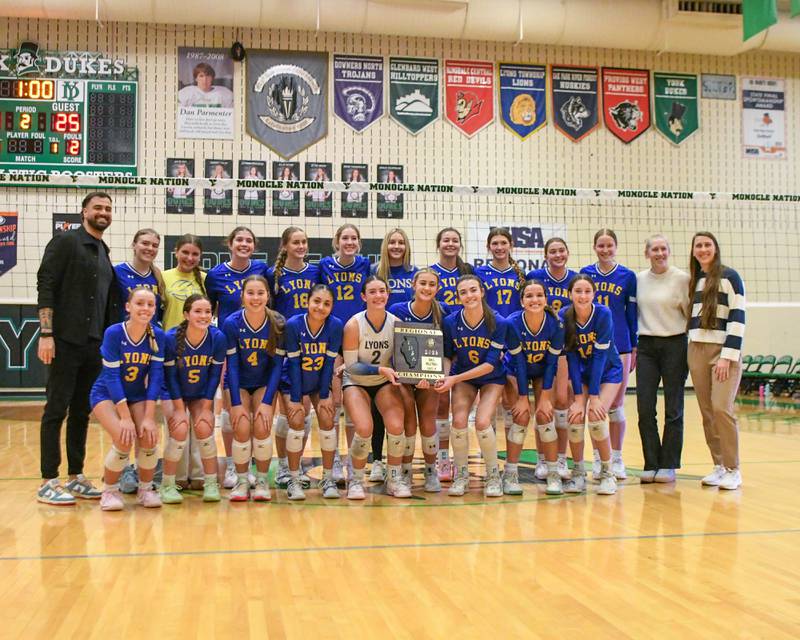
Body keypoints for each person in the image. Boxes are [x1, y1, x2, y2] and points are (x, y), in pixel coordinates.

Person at [36, 191, 121, 505]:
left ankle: (75, 476)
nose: (103, 212)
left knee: (82, 412)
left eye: (108, 208)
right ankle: (48, 480)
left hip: (93, 344)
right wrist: (46, 333)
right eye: (97, 207)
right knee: (56, 409)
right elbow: (46, 283)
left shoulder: (103, 251)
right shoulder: (66, 242)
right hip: (65, 340)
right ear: (84, 211)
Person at [437, 274, 515, 498]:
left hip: (492, 378)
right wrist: (444, 377)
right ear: (458, 297)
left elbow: (490, 365)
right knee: (459, 420)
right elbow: (448, 355)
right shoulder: (450, 322)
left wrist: (453, 379)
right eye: (463, 292)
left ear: (482, 292)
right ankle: (461, 475)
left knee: (482, 422)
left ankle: (493, 475)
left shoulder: (499, 322)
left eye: (473, 290)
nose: (469, 295)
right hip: (464, 378)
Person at [89, 288, 165, 511]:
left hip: (137, 395)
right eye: (140, 303)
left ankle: (145, 489)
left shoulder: (157, 335)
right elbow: (112, 377)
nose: (145, 308)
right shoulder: (114, 333)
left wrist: (149, 417)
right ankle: (109, 491)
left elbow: (156, 378)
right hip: (106, 394)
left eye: (150, 304)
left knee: (149, 438)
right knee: (124, 439)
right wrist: (125, 417)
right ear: (128, 306)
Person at [206, 227, 268, 488]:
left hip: (258, 345)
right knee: (232, 408)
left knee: (258, 414)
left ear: (254, 245)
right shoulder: (215, 275)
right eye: (239, 240)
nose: (244, 244)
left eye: (249, 240)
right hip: (229, 347)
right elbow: (209, 311)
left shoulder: (262, 270)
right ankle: (233, 464)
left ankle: (250, 464)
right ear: (229, 244)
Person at [686, 232, 746, 491]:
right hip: (696, 349)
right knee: (707, 412)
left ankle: (733, 468)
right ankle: (719, 465)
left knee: (722, 408)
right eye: (698, 245)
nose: (703, 249)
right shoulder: (695, 280)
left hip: (723, 352)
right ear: (693, 251)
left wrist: (727, 356)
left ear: (715, 248)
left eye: (707, 245)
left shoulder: (730, 277)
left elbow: (738, 317)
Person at [388, 268, 452, 493]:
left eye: (432, 284)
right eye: (422, 283)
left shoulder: (443, 312)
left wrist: (440, 377)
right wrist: (404, 375)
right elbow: (391, 347)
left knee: (428, 421)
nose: (427, 288)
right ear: (413, 284)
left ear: (438, 288)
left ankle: (430, 471)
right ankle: (405, 471)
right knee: (408, 421)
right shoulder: (397, 310)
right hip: (402, 377)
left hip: (430, 377)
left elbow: (447, 351)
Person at [342, 276, 406, 499]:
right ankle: (356, 480)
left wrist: (420, 375)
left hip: (383, 382)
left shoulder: (396, 323)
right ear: (363, 296)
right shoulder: (353, 325)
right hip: (356, 381)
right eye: (372, 292)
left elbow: (406, 359)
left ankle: (394, 479)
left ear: (388, 294)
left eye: (382, 291)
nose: (378, 296)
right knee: (364, 428)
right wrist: (380, 370)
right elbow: (351, 367)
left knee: (396, 426)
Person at [581, 229, 637, 481]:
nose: (605, 250)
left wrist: (634, 345)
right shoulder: (586, 273)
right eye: (601, 246)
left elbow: (631, 313)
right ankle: (597, 457)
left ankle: (617, 457)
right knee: (595, 406)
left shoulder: (628, 276)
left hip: (621, 345)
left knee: (616, 405)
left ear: (616, 247)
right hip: (591, 346)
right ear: (594, 247)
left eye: (609, 245)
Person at [266, 226, 320, 488]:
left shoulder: (315, 272)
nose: (301, 246)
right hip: (284, 348)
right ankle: (283, 468)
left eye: (304, 242)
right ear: (285, 246)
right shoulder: (272, 275)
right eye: (296, 242)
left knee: (304, 411)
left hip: (311, 346)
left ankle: (295, 466)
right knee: (287, 411)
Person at [223, 276, 285, 502]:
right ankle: (241, 481)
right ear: (242, 296)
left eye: (260, 293)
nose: (255, 298)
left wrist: (268, 402)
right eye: (250, 293)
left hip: (264, 383)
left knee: (262, 426)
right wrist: (236, 403)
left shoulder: (277, 322)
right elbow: (232, 366)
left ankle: (261, 481)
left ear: (268, 296)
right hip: (238, 383)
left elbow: (277, 366)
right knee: (240, 427)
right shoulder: (231, 323)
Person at [319, 224, 372, 483]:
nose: (349, 242)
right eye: (345, 238)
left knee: (354, 403)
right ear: (336, 241)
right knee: (336, 401)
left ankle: (352, 461)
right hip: (333, 337)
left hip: (357, 337)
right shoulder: (325, 265)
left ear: (359, 242)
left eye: (354, 238)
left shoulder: (365, 265)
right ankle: (336, 462)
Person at [280, 285, 343, 500]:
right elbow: (294, 364)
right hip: (293, 381)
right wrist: (296, 398)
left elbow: (329, 364)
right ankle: (294, 479)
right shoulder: (293, 325)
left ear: (332, 307)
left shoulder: (335, 325)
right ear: (307, 302)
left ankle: (328, 478)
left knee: (327, 418)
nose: (320, 307)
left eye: (327, 303)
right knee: (297, 421)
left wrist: (324, 395)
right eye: (316, 301)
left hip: (318, 381)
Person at [561, 274, 622, 496]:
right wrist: (579, 398)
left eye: (587, 291)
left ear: (594, 294)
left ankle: (607, 473)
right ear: (570, 294)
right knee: (575, 417)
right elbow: (571, 358)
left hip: (608, 371)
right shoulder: (564, 316)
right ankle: (578, 473)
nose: (583, 296)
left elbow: (599, 357)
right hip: (582, 373)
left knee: (596, 416)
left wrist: (593, 397)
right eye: (578, 291)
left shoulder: (603, 314)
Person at [636, 235, 690, 484]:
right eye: (654, 249)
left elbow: (689, 315)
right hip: (646, 346)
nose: (659, 253)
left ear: (669, 251)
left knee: (673, 407)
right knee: (645, 407)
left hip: (675, 344)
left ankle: (668, 464)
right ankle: (651, 462)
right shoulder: (639, 280)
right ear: (647, 253)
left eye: (663, 249)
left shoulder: (682, 279)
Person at [161, 294, 226, 504]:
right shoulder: (170, 338)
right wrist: (180, 409)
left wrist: (206, 408)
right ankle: (168, 484)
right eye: (198, 311)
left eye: (207, 312)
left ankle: (211, 483)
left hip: (200, 392)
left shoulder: (217, 337)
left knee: (204, 428)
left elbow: (214, 376)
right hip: (173, 392)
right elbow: (170, 378)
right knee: (179, 430)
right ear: (186, 314)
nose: (204, 316)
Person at [502, 280, 564, 495]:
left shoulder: (556, 324)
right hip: (514, 370)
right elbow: (519, 362)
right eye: (529, 296)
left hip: (542, 371)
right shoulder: (512, 323)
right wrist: (522, 397)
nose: (534, 299)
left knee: (545, 416)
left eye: (539, 295)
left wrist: (545, 398)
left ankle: (553, 472)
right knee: (520, 417)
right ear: (521, 301)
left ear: (546, 299)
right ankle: (510, 473)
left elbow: (552, 363)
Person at [161, 235, 208, 490]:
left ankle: (199, 474)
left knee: (199, 416)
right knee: (175, 418)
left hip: (198, 353)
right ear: (176, 252)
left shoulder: (206, 279)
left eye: (195, 254)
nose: (190, 258)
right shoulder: (163, 277)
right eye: (185, 252)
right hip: (171, 351)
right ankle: (177, 476)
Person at [527, 237, 577, 481]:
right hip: (539, 346)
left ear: (567, 253)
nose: (558, 255)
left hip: (565, 347)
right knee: (542, 404)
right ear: (545, 255)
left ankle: (561, 458)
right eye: (553, 251)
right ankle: (542, 459)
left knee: (563, 400)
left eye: (561, 251)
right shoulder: (535, 276)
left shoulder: (575, 278)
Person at [430, 227, 473, 482]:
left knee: (461, 405)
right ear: (438, 244)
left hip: (467, 340)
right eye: (446, 240)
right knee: (441, 402)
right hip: (440, 340)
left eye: (455, 240)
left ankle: (461, 460)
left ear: (460, 245)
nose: (450, 244)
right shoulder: (431, 273)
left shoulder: (468, 271)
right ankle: (442, 459)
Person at [114, 229, 164, 323]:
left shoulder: (158, 276)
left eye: (155, 245)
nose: (150, 248)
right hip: (125, 330)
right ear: (134, 245)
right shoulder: (117, 272)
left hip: (151, 331)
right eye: (145, 243)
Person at [475, 227, 526, 318]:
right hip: (490, 324)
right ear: (488, 247)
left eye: (504, 243)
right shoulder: (479, 273)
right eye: (495, 243)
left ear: (511, 245)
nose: (499, 247)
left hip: (514, 324)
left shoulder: (520, 273)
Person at [374, 228, 418, 308]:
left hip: (407, 316)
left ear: (406, 246)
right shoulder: (374, 271)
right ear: (385, 246)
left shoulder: (415, 272)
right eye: (392, 242)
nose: (397, 246)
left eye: (401, 243)